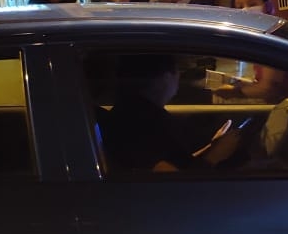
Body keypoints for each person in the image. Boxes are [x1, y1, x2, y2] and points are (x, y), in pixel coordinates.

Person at [102, 53, 240, 172]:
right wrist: (215, 156)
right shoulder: (145, 123)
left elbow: (176, 162)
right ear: (166, 78)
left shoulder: (132, 113)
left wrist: (211, 147)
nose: (179, 78)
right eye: (177, 71)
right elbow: (175, 184)